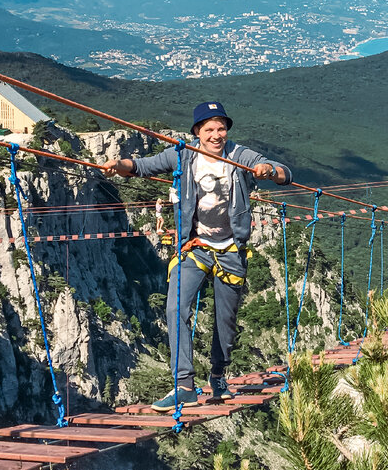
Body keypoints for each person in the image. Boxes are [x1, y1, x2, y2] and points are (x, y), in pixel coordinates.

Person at [102, 100, 291, 409]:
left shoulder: (241, 156)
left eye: (221, 129)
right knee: (176, 308)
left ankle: (218, 376)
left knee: (225, 321)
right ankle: (184, 384)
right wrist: (118, 166)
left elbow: (286, 174)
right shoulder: (183, 155)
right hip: (195, 247)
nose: (216, 135)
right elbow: (141, 167)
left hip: (231, 249)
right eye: (209, 129)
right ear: (197, 133)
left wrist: (269, 170)